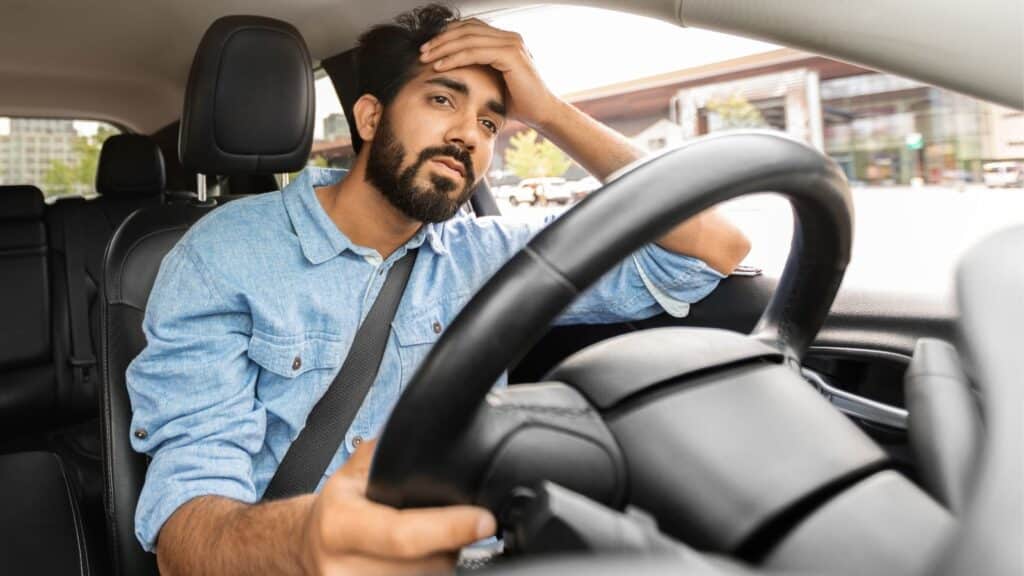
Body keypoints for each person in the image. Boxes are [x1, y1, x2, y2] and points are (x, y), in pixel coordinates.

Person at [129, 4, 751, 575]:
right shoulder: (223, 254)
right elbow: (186, 536)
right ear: (369, 117)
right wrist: (303, 539)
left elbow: (713, 247)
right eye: (442, 100)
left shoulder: (489, 255)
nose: (469, 135)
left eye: (489, 120)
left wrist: (551, 112)